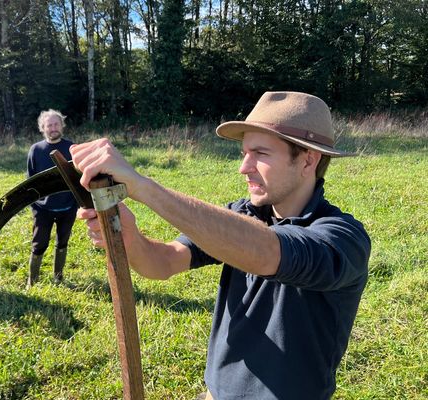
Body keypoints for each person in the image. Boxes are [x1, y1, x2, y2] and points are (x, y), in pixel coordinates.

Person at [71, 92, 371, 399]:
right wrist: (128, 237)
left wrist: (143, 187)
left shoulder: (343, 238)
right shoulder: (241, 216)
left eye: (261, 154)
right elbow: (164, 262)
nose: (244, 167)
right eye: (244, 153)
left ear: (308, 159)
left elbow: (268, 253)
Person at [26, 109, 78, 287]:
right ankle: (32, 281)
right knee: (39, 244)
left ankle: (58, 277)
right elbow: (30, 182)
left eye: (56, 124)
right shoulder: (36, 150)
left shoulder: (71, 148)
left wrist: (76, 204)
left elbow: (79, 178)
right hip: (43, 209)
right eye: (49, 125)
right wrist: (35, 206)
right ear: (43, 128)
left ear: (62, 126)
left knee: (62, 242)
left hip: (68, 207)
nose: (53, 128)